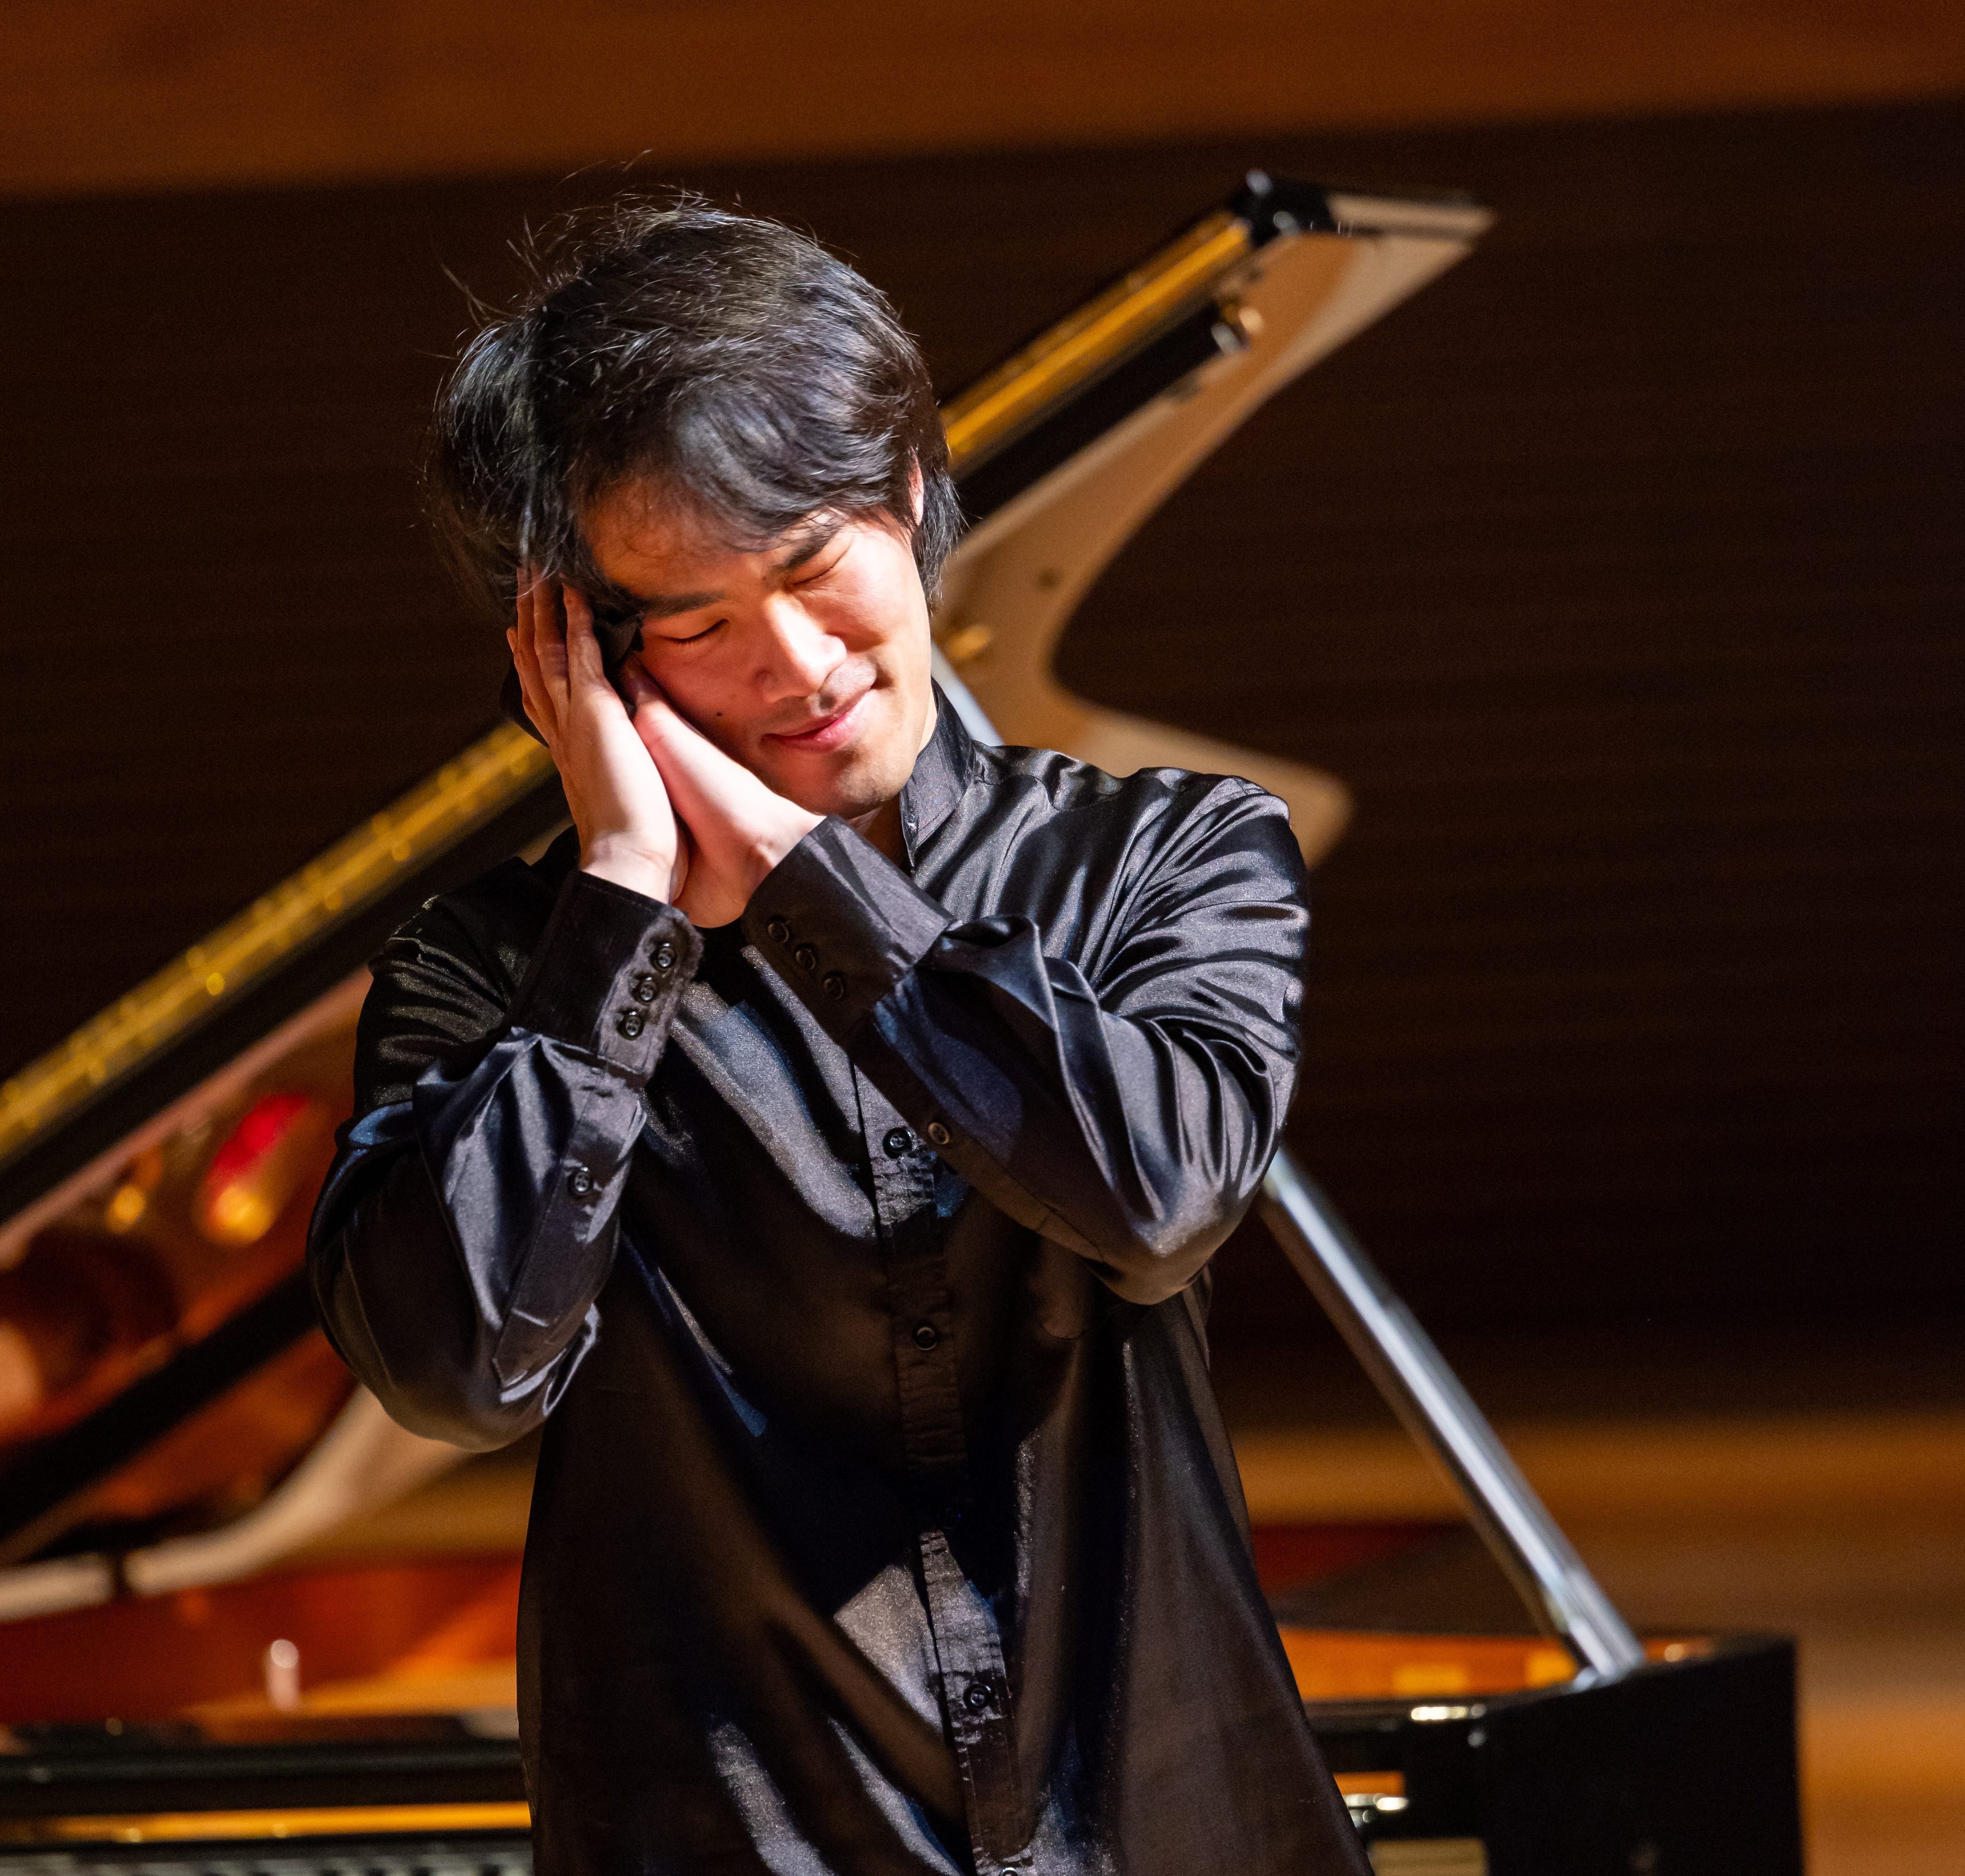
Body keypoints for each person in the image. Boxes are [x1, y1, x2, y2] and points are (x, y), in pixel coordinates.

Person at [306, 195, 1362, 1876]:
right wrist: (631, 908)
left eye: (812, 566)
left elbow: (1153, 1197)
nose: (797, 662)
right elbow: (456, 1368)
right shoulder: (499, 976)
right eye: (701, 623)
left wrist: (816, 896)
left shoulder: (1166, 861)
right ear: (570, 654)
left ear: (915, 500)